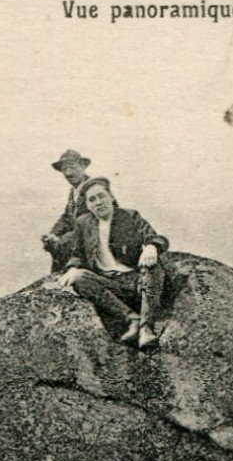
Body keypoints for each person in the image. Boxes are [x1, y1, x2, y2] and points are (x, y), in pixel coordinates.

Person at [50, 178, 170, 350]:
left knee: (155, 267)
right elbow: (77, 254)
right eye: (92, 200)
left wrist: (152, 247)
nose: (98, 202)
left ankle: (146, 328)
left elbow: (155, 237)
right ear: (88, 205)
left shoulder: (130, 216)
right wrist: (72, 268)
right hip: (108, 284)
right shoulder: (84, 224)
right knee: (78, 278)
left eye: (101, 196)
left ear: (111, 197)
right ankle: (131, 318)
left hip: (136, 283)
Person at [41, 149, 96, 273]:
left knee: (62, 243)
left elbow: (95, 220)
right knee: (52, 242)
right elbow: (67, 217)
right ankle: (59, 277)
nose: (68, 173)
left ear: (82, 166)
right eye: (64, 169)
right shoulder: (74, 191)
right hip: (79, 236)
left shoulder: (94, 188)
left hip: (95, 237)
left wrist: (64, 239)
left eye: (72, 168)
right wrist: (53, 234)